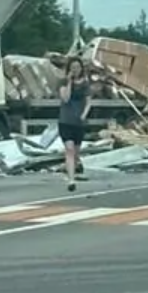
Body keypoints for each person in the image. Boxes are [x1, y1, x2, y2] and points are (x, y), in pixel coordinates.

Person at [58, 56, 91, 192]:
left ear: (81, 68)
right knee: (69, 149)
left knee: (76, 152)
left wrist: (84, 114)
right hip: (65, 120)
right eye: (72, 68)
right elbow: (65, 98)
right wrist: (69, 82)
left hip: (78, 122)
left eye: (77, 68)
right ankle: (71, 180)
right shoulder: (62, 82)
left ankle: (75, 167)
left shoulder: (85, 83)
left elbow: (89, 101)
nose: (75, 70)